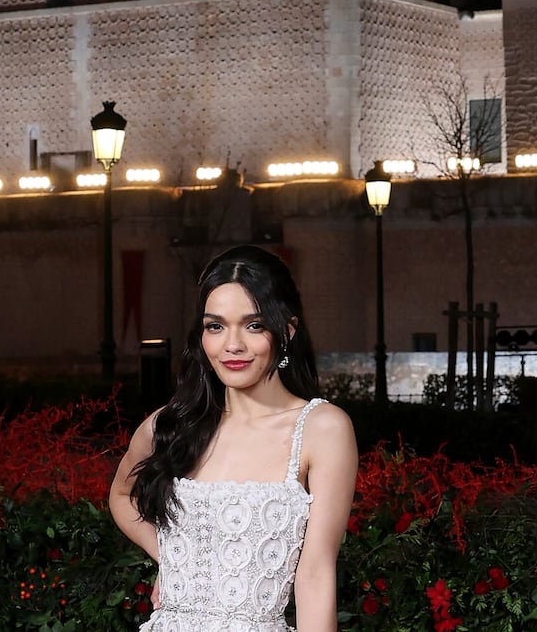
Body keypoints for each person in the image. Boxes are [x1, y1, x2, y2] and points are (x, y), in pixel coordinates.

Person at [110, 245, 358, 632]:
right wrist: (173, 558)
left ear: (287, 331)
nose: (233, 345)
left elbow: (315, 577)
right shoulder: (173, 423)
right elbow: (121, 495)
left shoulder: (321, 428)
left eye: (254, 325)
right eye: (216, 326)